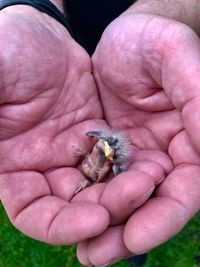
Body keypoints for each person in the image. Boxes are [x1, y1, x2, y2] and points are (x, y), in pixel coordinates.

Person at [0, 0, 200, 266]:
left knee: (138, 199)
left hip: (150, 70)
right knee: (123, 206)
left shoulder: (107, 156)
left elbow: (108, 162)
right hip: (65, 42)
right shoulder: (97, 152)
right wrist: (32, 8)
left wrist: (164, 12)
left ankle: (134, 242)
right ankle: (132, 247)